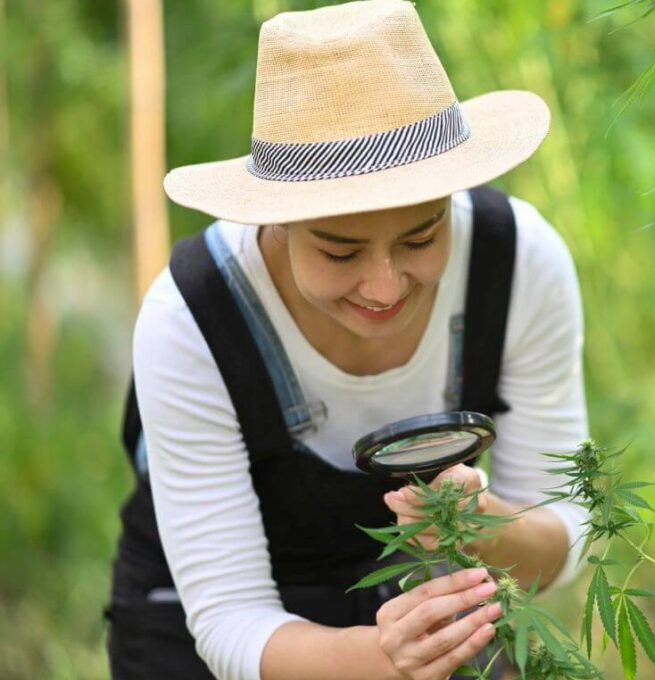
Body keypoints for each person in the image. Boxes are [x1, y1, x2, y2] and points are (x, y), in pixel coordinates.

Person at [105, 2, 589, 679]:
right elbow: (228, 618)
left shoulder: (521, 263)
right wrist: (382, 659)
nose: (384, 286)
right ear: (277, 222)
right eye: (340, 252)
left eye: (421, 238)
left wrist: (486, 525)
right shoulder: (190, 319)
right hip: (196, 640)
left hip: (418, 620)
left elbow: (561, 540)